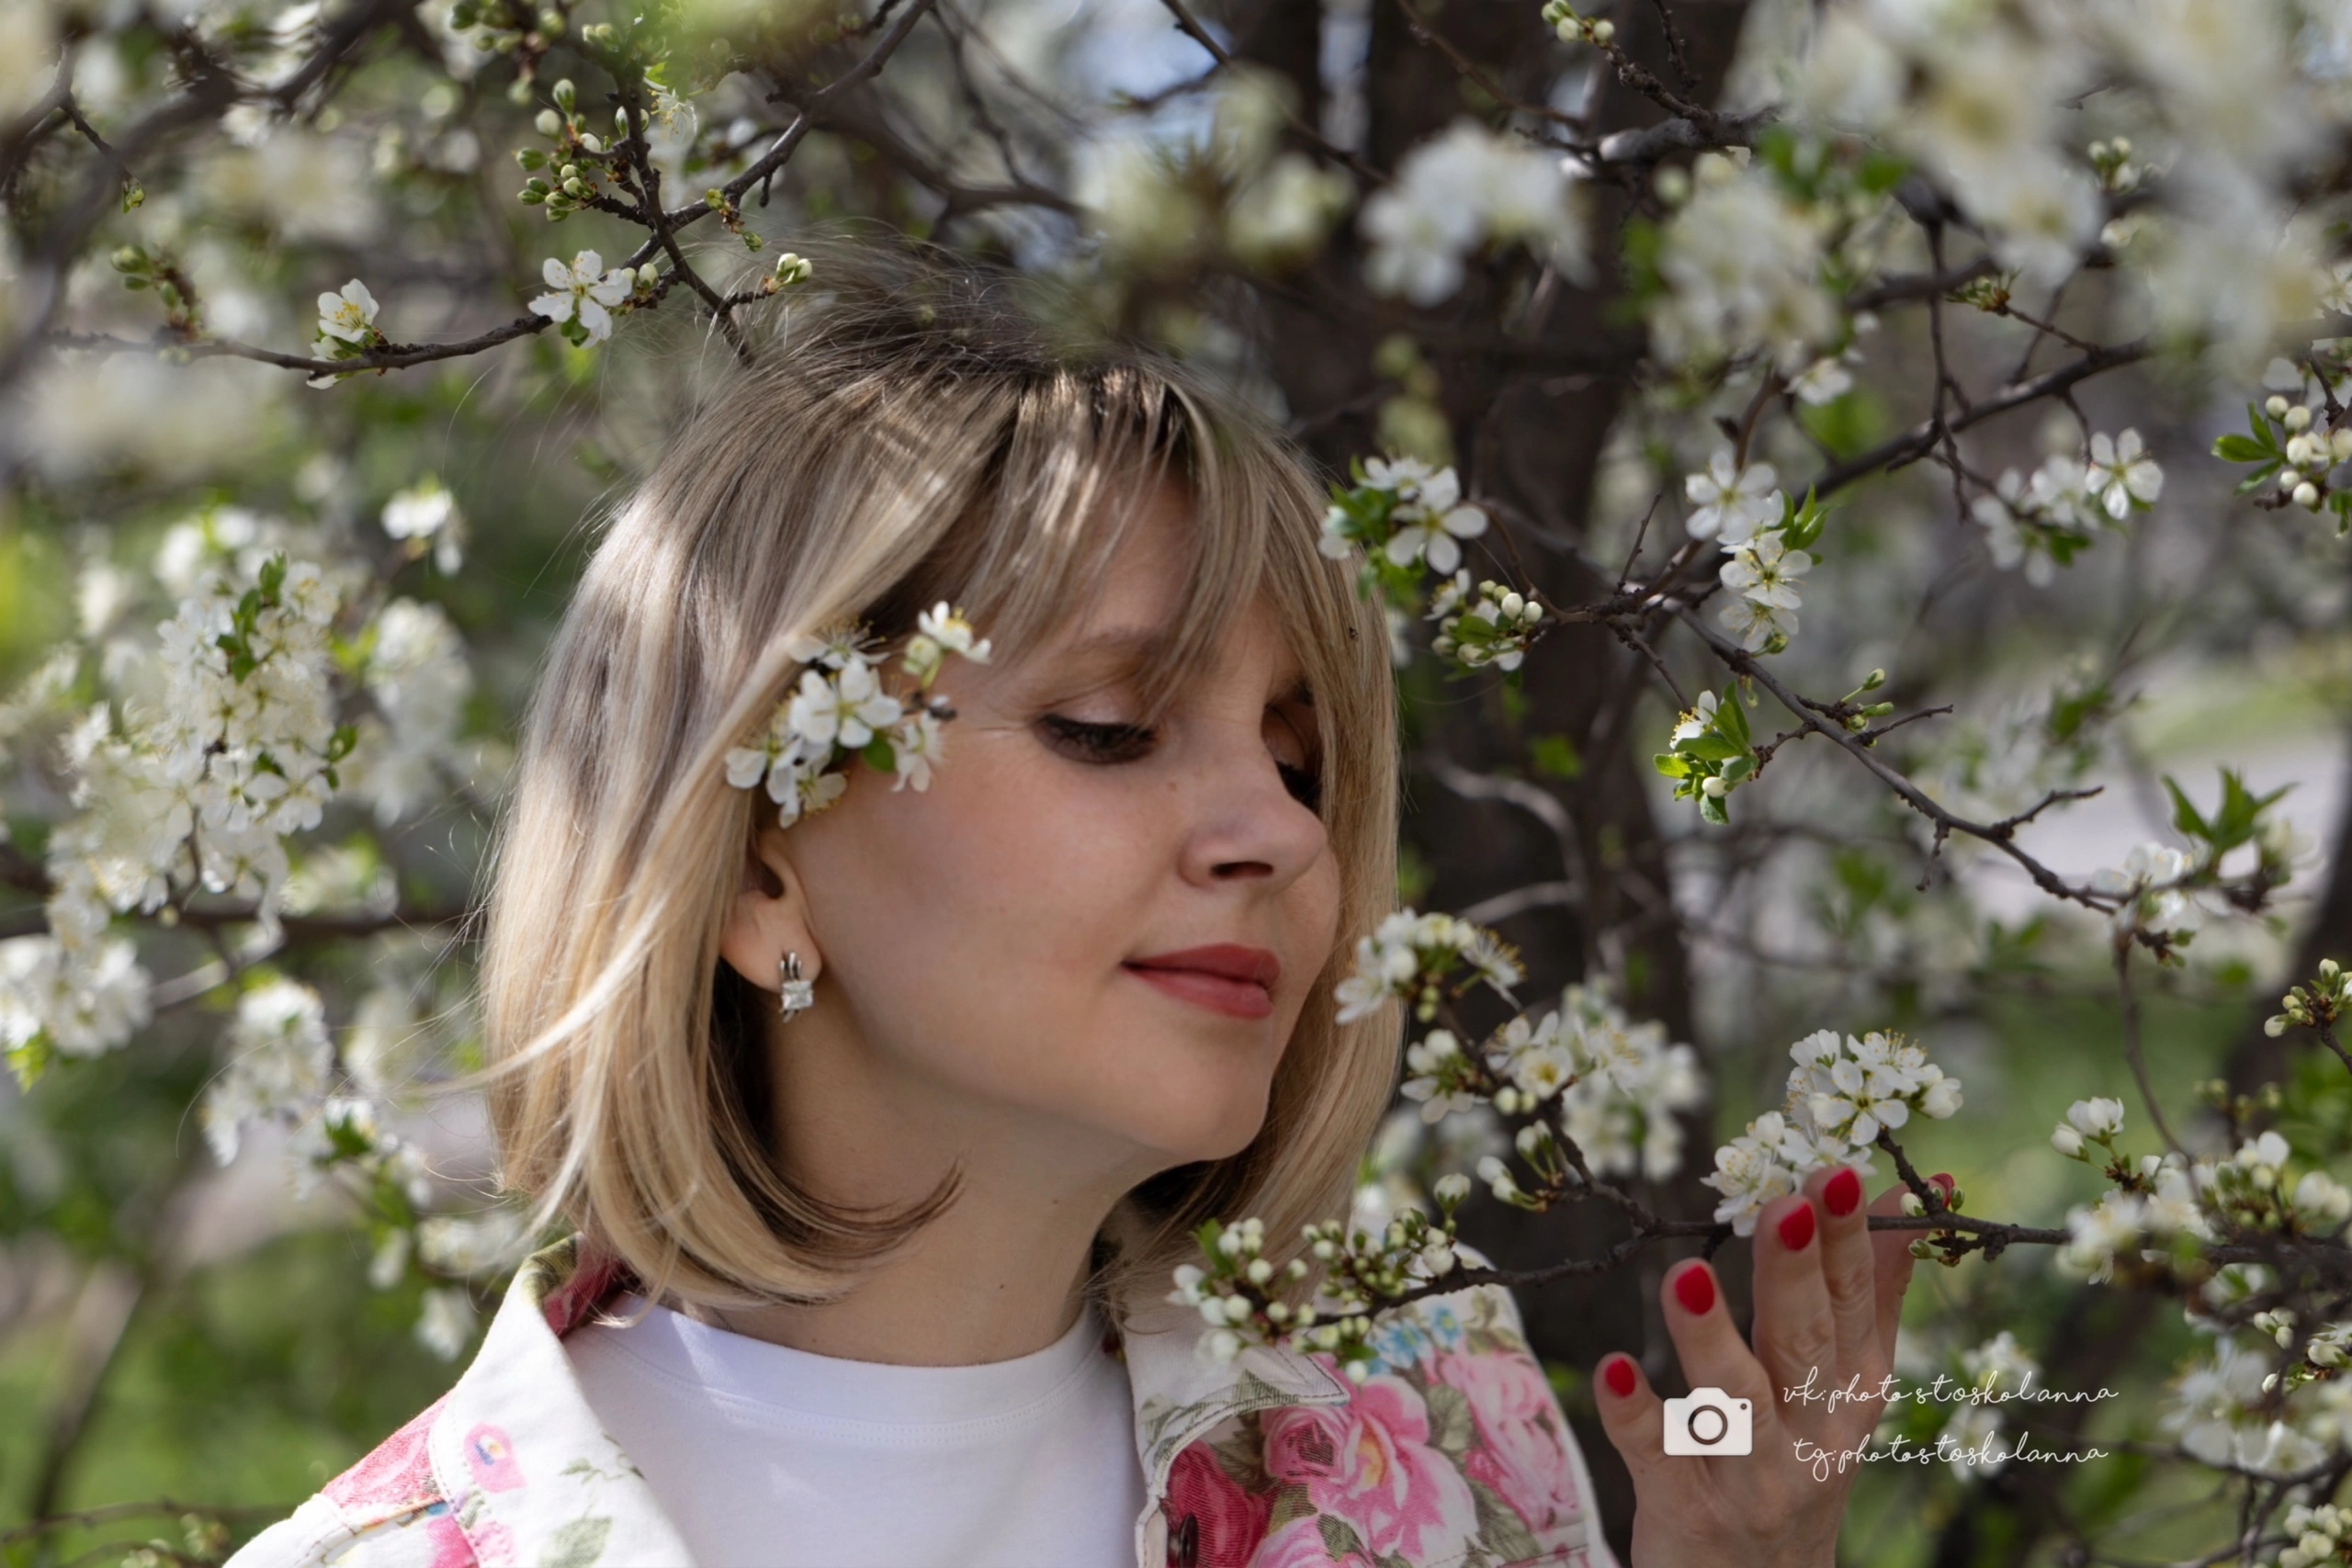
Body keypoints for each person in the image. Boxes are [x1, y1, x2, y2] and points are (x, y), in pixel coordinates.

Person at [227, 243, 1919, 1568]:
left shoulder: (1428, 1427)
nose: (1277, 834)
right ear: (755, 862)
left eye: (1305, 763)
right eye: (1109, 729)